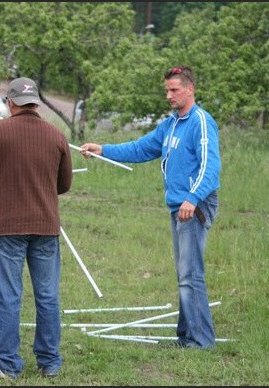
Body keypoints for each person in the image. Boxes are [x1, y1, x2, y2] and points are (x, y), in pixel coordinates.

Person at [80, 66, 221, 349]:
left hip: (194, 206)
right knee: (185, 273)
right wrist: (103, 149)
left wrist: (192, 199)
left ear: (190, 89)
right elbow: (141, 148)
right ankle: (186, 337)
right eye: (167, 90)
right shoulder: (170, 124)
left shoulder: (201, 122)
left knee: (190, 273)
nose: (169, 95)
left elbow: (211, 167)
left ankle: (201, 341)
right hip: (179, 206)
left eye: (174, 90)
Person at [0, 77, 73, 380]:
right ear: (35, 102)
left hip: (8, 227)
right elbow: (64, 184)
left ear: (10, 102)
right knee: (48, 295)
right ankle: (50, 361)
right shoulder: (56, 135)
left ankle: (7, 363)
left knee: (9, 296)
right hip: (45, 225)